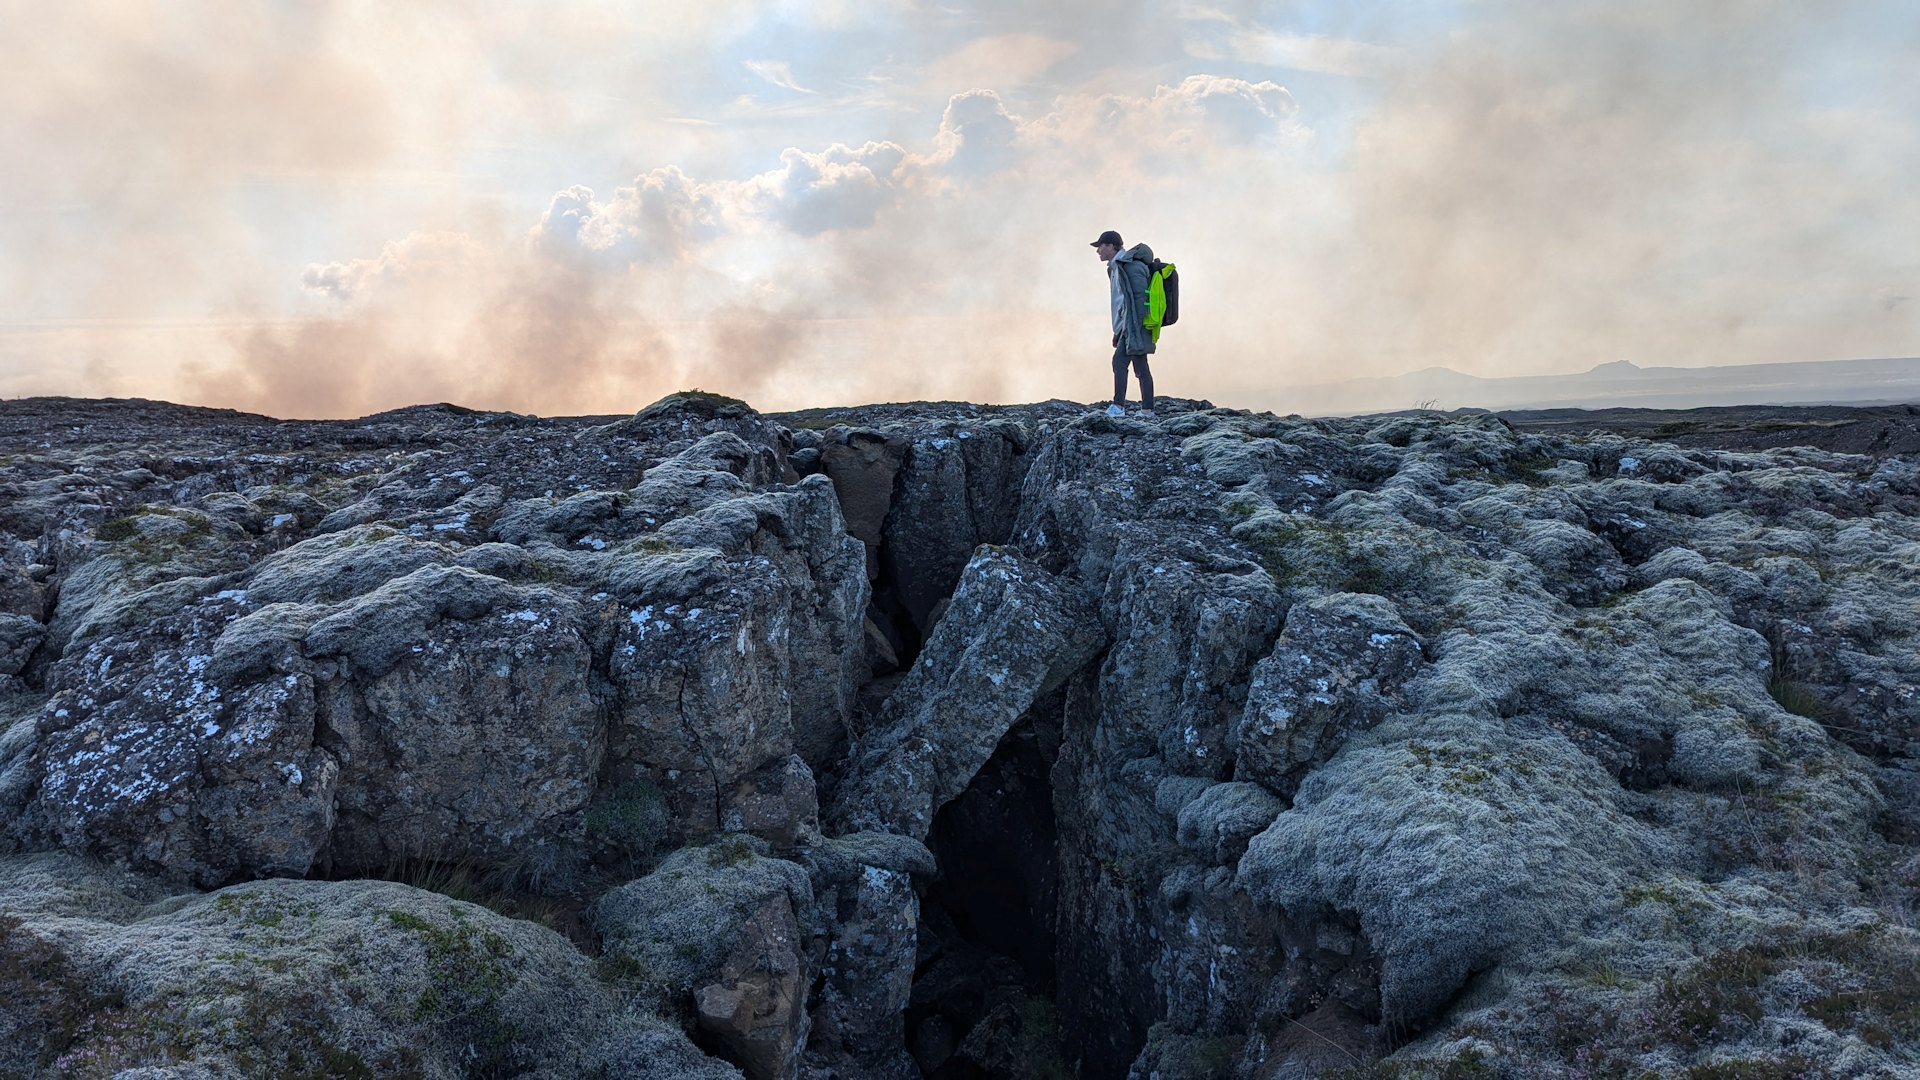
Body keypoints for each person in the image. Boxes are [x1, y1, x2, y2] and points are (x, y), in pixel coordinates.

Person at [1091, 229, 1155, 418]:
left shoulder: (1130, 266)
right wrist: (1118, 331)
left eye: (1100, 246)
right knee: (1141, 366)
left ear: (1110, 246)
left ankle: (1118, 407)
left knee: (1119, 362)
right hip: (1128, 326)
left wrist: (1128, 328)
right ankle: (1147, 410)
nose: (1098, 251)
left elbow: (1137, 301)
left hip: (1134, 325)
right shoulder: (1117, 267)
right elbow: (1121, 302)